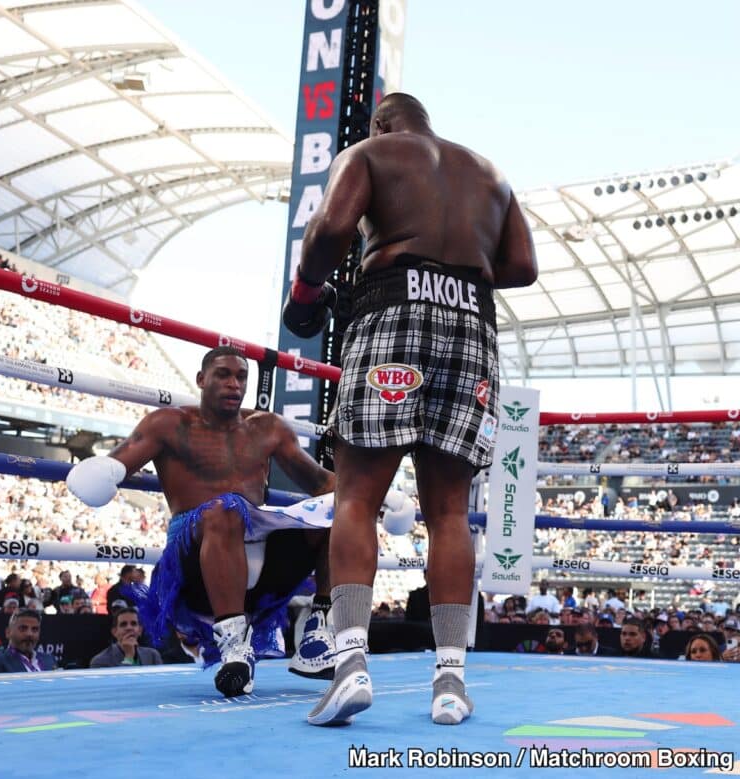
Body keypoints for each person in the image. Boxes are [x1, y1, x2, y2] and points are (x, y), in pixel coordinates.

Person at [283, 92, 537, 726]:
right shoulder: (491, 174)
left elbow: (330, 230)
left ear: (382, 123)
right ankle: (450, 683)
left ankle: (349, 666)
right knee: (450, 511)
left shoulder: (369, 152)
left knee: (357, 498)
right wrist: (457, 270)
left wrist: (306, 292)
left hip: (394, 311)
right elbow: (523, 267)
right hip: (471, 325)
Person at [66, 347, 413, 698]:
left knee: (335, 510)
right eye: (223, 375)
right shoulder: (169, 424)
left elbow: (322, 483)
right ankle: (234, 645)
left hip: (259, 556)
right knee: (227, 508)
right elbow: (120, 461)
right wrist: (101, 471)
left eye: (241, 377)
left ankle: (318, 629)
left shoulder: (267, 428)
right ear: (201, 380)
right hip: (196, 560)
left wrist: (380, 496)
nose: (234, 384)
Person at [0, 608, 57, 672]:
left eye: (35, 629)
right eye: (23, 628)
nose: (29, 634)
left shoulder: (49, 659)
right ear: (8, 632)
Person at [89, 607, 163, 668]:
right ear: (114, 632)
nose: (129, 628)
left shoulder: (153, 655)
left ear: (140, 630)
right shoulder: (99, 661)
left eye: (133, 624)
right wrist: (129, 657)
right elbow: (122, 685)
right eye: (123, 624)